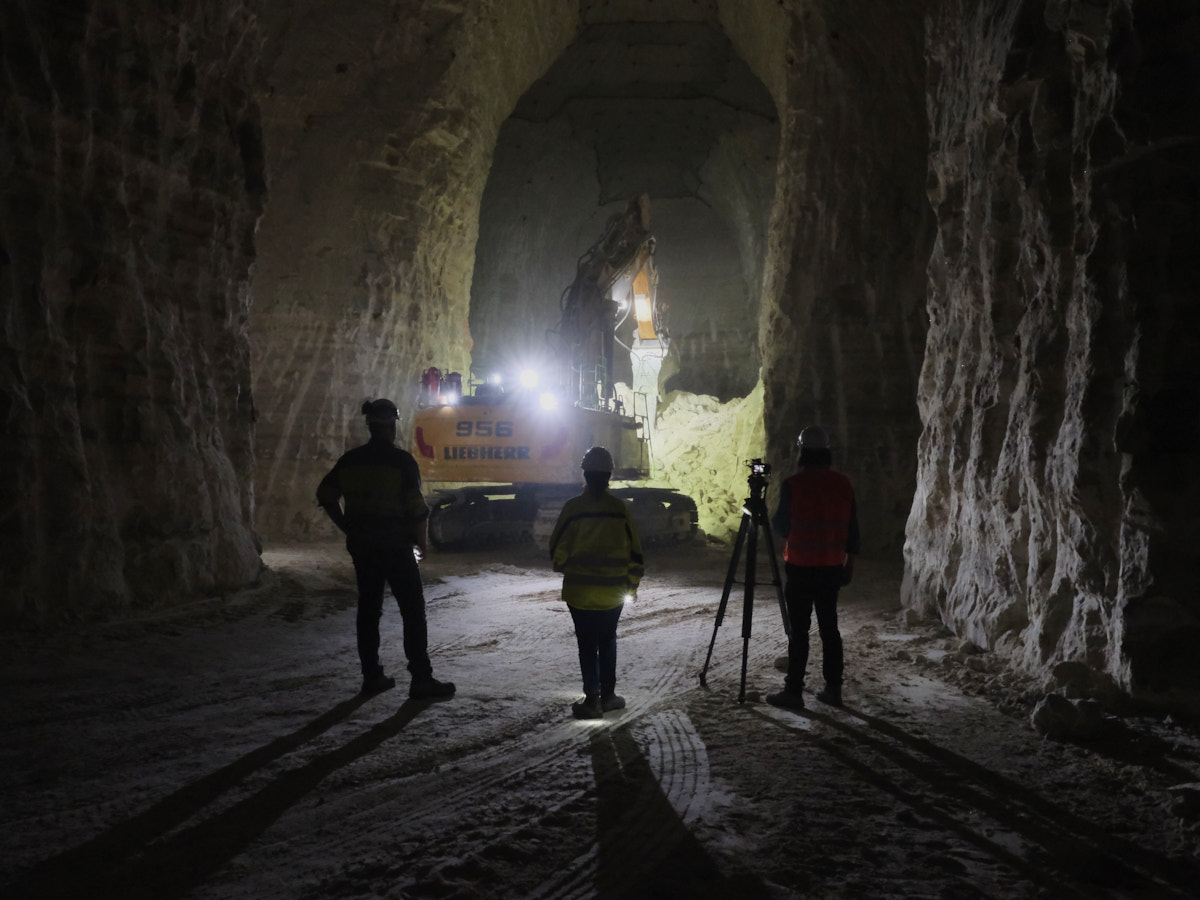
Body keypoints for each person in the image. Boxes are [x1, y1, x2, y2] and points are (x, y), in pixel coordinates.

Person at [316, 398, 455, 700]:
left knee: (369, 610)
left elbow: (325, 495)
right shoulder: (401, 462)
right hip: (395, 547)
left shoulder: (350, 461)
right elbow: (417, 509)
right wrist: (422, 544)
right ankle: (421, 680)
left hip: (363, 546)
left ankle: (372, 677)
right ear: (393, 426)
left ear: (370, 426)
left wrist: (347, 527)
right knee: (412, 611)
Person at [767, 425, 860, 710]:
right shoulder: (843, 484)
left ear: (801, 452)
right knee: (829, 629)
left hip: (800, 567)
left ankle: (793, 691)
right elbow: (853, 530)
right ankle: (833, 689)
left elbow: (780, 526)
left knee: (799, 632)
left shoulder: (793, 484)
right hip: (831, 567)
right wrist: (849, 565)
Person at [548, 446, 644, 719]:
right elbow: (635, 551)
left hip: (579, 593)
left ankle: (592, 700)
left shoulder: (573, 508)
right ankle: (609, 696)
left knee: (587, 643)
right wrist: (632, 585)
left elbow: (556, 547)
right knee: (608, 639)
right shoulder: (619, 509)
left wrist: (565, 567)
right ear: (609, 476)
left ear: (585, 475)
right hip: (613, 592)